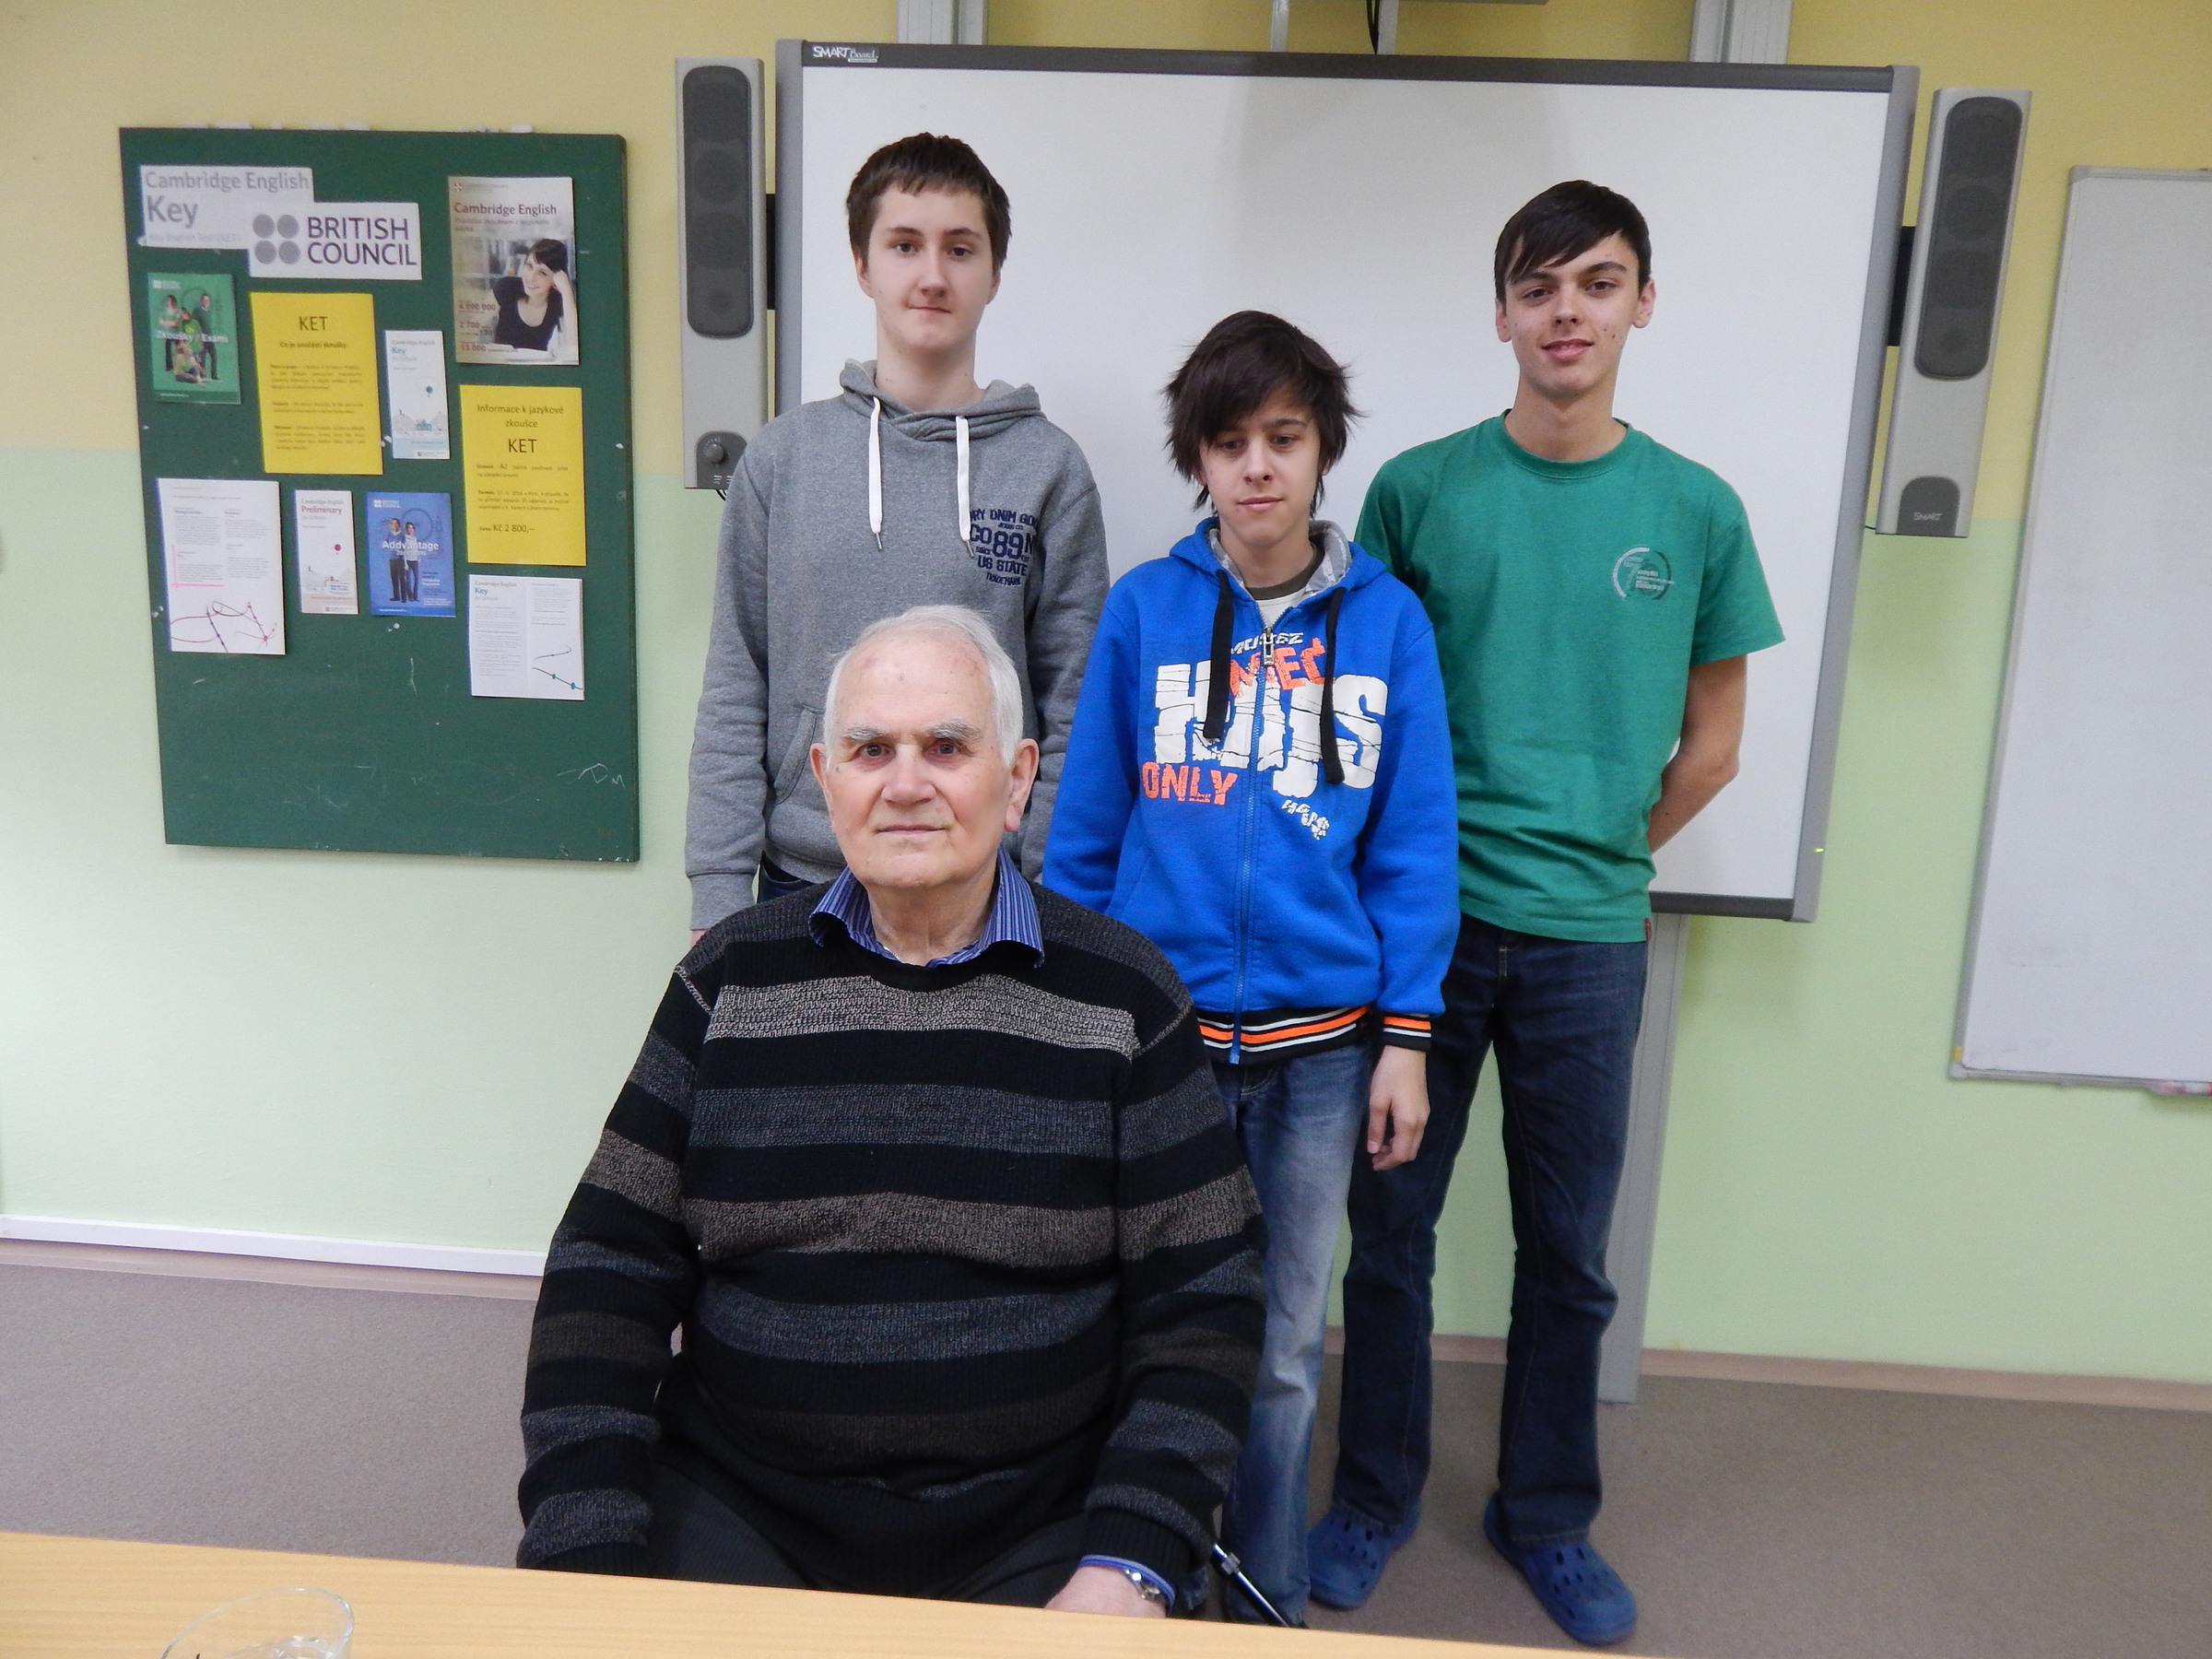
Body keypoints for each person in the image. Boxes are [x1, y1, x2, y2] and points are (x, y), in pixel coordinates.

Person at [516, 606, 1265, 1617]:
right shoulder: (727, 980)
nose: (905, 783)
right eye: (872, 750)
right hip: (744, 1505)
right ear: (826, 781)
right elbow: (608, 1265)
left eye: (947, 747)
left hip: (1039, 1523)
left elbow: (1206, 1296)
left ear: (1017, 780)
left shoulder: (1126, 998)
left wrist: (1132, 1559)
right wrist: (585, 1539)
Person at [1308, 182, 1783, 1647]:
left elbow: (1716, 747)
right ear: (1502, 312)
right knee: (1390, 1235)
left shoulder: (1697, 510)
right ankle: (1373, 1496)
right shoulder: (1419, 494)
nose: (1567, 311)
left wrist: (1597, 854)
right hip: (1426, 937)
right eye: (1539, 286)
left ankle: (1548, 1518)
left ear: (1642, 303)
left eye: (1599, 282)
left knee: (1568, 1254)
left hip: (1590, 943)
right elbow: (1365, 717)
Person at [1044, 312, 1457, 1625]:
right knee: (1143, 1321)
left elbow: (1415, 846)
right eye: (1230, 443)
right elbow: (1088, 831)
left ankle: (1266, 1592)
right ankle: (1143, 1574)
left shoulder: (1388, 624)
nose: (1259, 467)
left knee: (1281, 1349)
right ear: (1199, 461)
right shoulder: (1145, 610)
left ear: (1324, 448)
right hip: (1158, 1045)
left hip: (1321, 1058)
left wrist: (1407, 1038)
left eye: (1284, 437)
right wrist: (1077, 1015)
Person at [685, 132, 1107, 938]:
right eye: (905, 245)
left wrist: (1044, 879)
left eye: (960, 249)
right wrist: (716, 892)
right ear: (862, 263)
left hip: (985, 892)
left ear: (993, 273)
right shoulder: (783, 459)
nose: (932, 275)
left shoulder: (1048, 468)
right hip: (800, 883)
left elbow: (1073, 704)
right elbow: (737, 683)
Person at [491, 239, 576, 359]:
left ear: (556, 279)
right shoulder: (506, 287)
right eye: (529, 266)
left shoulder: (558, 301)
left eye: (542, 273)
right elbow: (473, 327)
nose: (531, 277)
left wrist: (566, 291)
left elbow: (574, 348)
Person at [382, 516, 406, 605]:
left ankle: (404, 598)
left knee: (402, 579)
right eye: (392, 524)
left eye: (396, 524)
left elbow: (403, 548)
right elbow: (386, 544)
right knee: (394, 579)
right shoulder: (389, 535)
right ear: (390, 525)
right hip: (392, 560)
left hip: (400, 560)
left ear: (399, 525)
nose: (394, 526)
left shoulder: (402, 536)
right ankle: (396, 596)